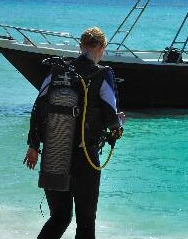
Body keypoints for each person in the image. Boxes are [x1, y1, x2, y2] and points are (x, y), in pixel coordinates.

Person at [24, 27, 124, 239]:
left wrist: (33, 145)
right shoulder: (102, 74)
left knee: (59, 217)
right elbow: (110, 115)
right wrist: (118, 125)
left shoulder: (57, 71)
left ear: (80, 46)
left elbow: (38, 108)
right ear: (102, 47)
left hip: (54, 153)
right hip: (85, 157)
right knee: (86, 223)